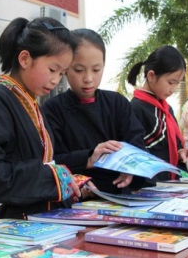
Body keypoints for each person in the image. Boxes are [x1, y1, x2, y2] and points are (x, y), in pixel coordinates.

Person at [0, 17, 81, 220]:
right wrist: (52, 179)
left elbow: (44, 163)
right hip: (20, 220)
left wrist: (69, 180)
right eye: (53, 69)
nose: (56, 80)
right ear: (25, 59)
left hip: (46, 216)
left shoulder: (32, 104)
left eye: (62, 73)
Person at [42, 28, 146, 199]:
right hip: (77, 201)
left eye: (96, 70)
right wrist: (87, 160)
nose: (88, 78)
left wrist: (132, 169)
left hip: (121, 196)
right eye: (79, 70)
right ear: (66, 68)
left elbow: (137, 144)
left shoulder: (117, 103)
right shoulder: (53, 110)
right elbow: (52, 161)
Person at [127, 46, 188, 183]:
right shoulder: (135, 109)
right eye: (171, 82)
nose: (173, 89)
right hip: (151, 186)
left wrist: (181, 151)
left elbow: (174, 143)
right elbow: (136, 154)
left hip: (172, 184)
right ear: (151, 76)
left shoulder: (166, 109)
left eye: (177, 84)